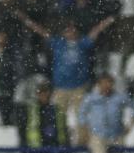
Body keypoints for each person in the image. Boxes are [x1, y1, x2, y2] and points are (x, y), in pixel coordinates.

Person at [16, 11, 115, 144]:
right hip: (60, 88)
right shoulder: (58, 43)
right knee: (56, 117)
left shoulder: (83, 43)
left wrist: (108, 21)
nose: (71, 32)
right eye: (68, 30)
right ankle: (59, 142)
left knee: (82, 117)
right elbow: (42, 31)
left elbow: (95, 32)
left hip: (79, 87)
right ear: (63, 33)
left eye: (73, 30)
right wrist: (27, 21)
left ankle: (82, 143)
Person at [79, 74, 134, 153]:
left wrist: (130, 124)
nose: (106, 86)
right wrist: (85, 131)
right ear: (98, 85)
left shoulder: (119, 97)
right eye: (103, 83)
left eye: (109, 83)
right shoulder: (91, 98)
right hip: (98, 135)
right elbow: (82, 115)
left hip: (116, 135)